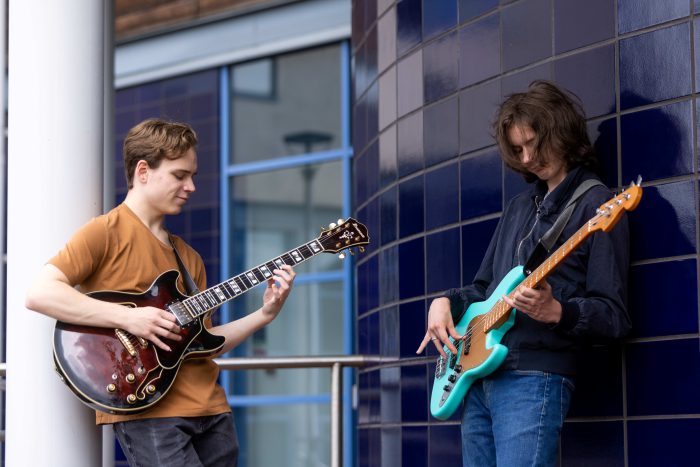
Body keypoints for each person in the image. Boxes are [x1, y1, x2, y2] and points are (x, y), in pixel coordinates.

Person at [25, 118, 296, 467]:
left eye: (193, 176)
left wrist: (265, 315)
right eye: (180, 175)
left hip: (212, 411)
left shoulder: (189, 257)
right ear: (143, 171)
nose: (191, 187)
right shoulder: (105, 233)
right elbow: (40, 293)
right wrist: (131, 318)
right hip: (150, 411)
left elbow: (207, 339)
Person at [417, 81, 631, 467]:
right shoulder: (519, 206)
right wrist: (443, 301)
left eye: (536, 143)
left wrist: (558, 311)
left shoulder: (597, 204)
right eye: (518, 149)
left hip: (534, 378)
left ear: (561, 132)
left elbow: (613, 315)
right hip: (479, 375)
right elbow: (483, 288)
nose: (529, 157)